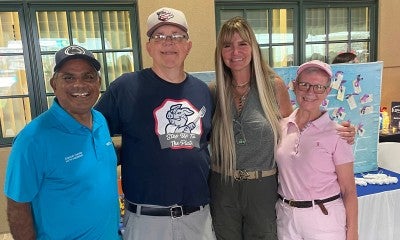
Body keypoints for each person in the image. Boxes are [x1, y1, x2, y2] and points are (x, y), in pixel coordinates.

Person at [209, 16, 356, 240]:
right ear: (220, 51)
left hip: (262, 186)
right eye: (227, 45)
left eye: (242, 44)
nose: (235, 51)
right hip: (223, 186)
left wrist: (337, 131)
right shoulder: (213, 91)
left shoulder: (273, 86)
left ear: (254, 48)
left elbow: (295, 127)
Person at [94, 7, 216, 240]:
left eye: (176, 36)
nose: (168, 43)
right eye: (159, 36)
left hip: (198, 218)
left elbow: (205, 143)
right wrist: (123, 153)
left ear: (188, 46)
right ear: (149, 46)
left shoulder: (203, 91)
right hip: (146, 222)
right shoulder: (126, 88)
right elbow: (93, 133)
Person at [3, 45, 120, 240]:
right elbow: (17, 206)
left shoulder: (99, 120)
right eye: (69, 78)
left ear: (98, 82)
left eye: (88, 77)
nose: (79, 85)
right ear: (53, 84)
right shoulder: (32, 140)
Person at [275, 60, 358, 240]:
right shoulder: (280, 127)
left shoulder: (338, 134)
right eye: (304, 85)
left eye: (319, 87)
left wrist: (352, 232)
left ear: (327, 91)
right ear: (295, 87)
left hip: (324, 218)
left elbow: (348, 189)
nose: (310, 92)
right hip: (286, 217)